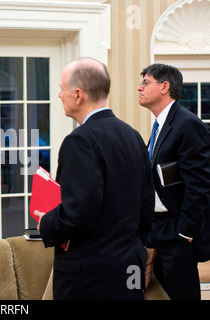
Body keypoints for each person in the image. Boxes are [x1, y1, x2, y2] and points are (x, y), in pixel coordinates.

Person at [34, 58, 155, 300]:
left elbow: (79, 213)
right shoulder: (132, 135)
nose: (59, 95)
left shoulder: (79, 141)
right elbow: (146, 203)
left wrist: (45, 224)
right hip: (129, 266)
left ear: (78, 95)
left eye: (61, 89)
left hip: (90, 276)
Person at [138, 63, 210, 300]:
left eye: (146, 83)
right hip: (155, 229)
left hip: (176, 232)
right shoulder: (159, 125)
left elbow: (199, 184)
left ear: (164, 86)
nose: (140, 88)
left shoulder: (187, 124)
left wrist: (185, 234)